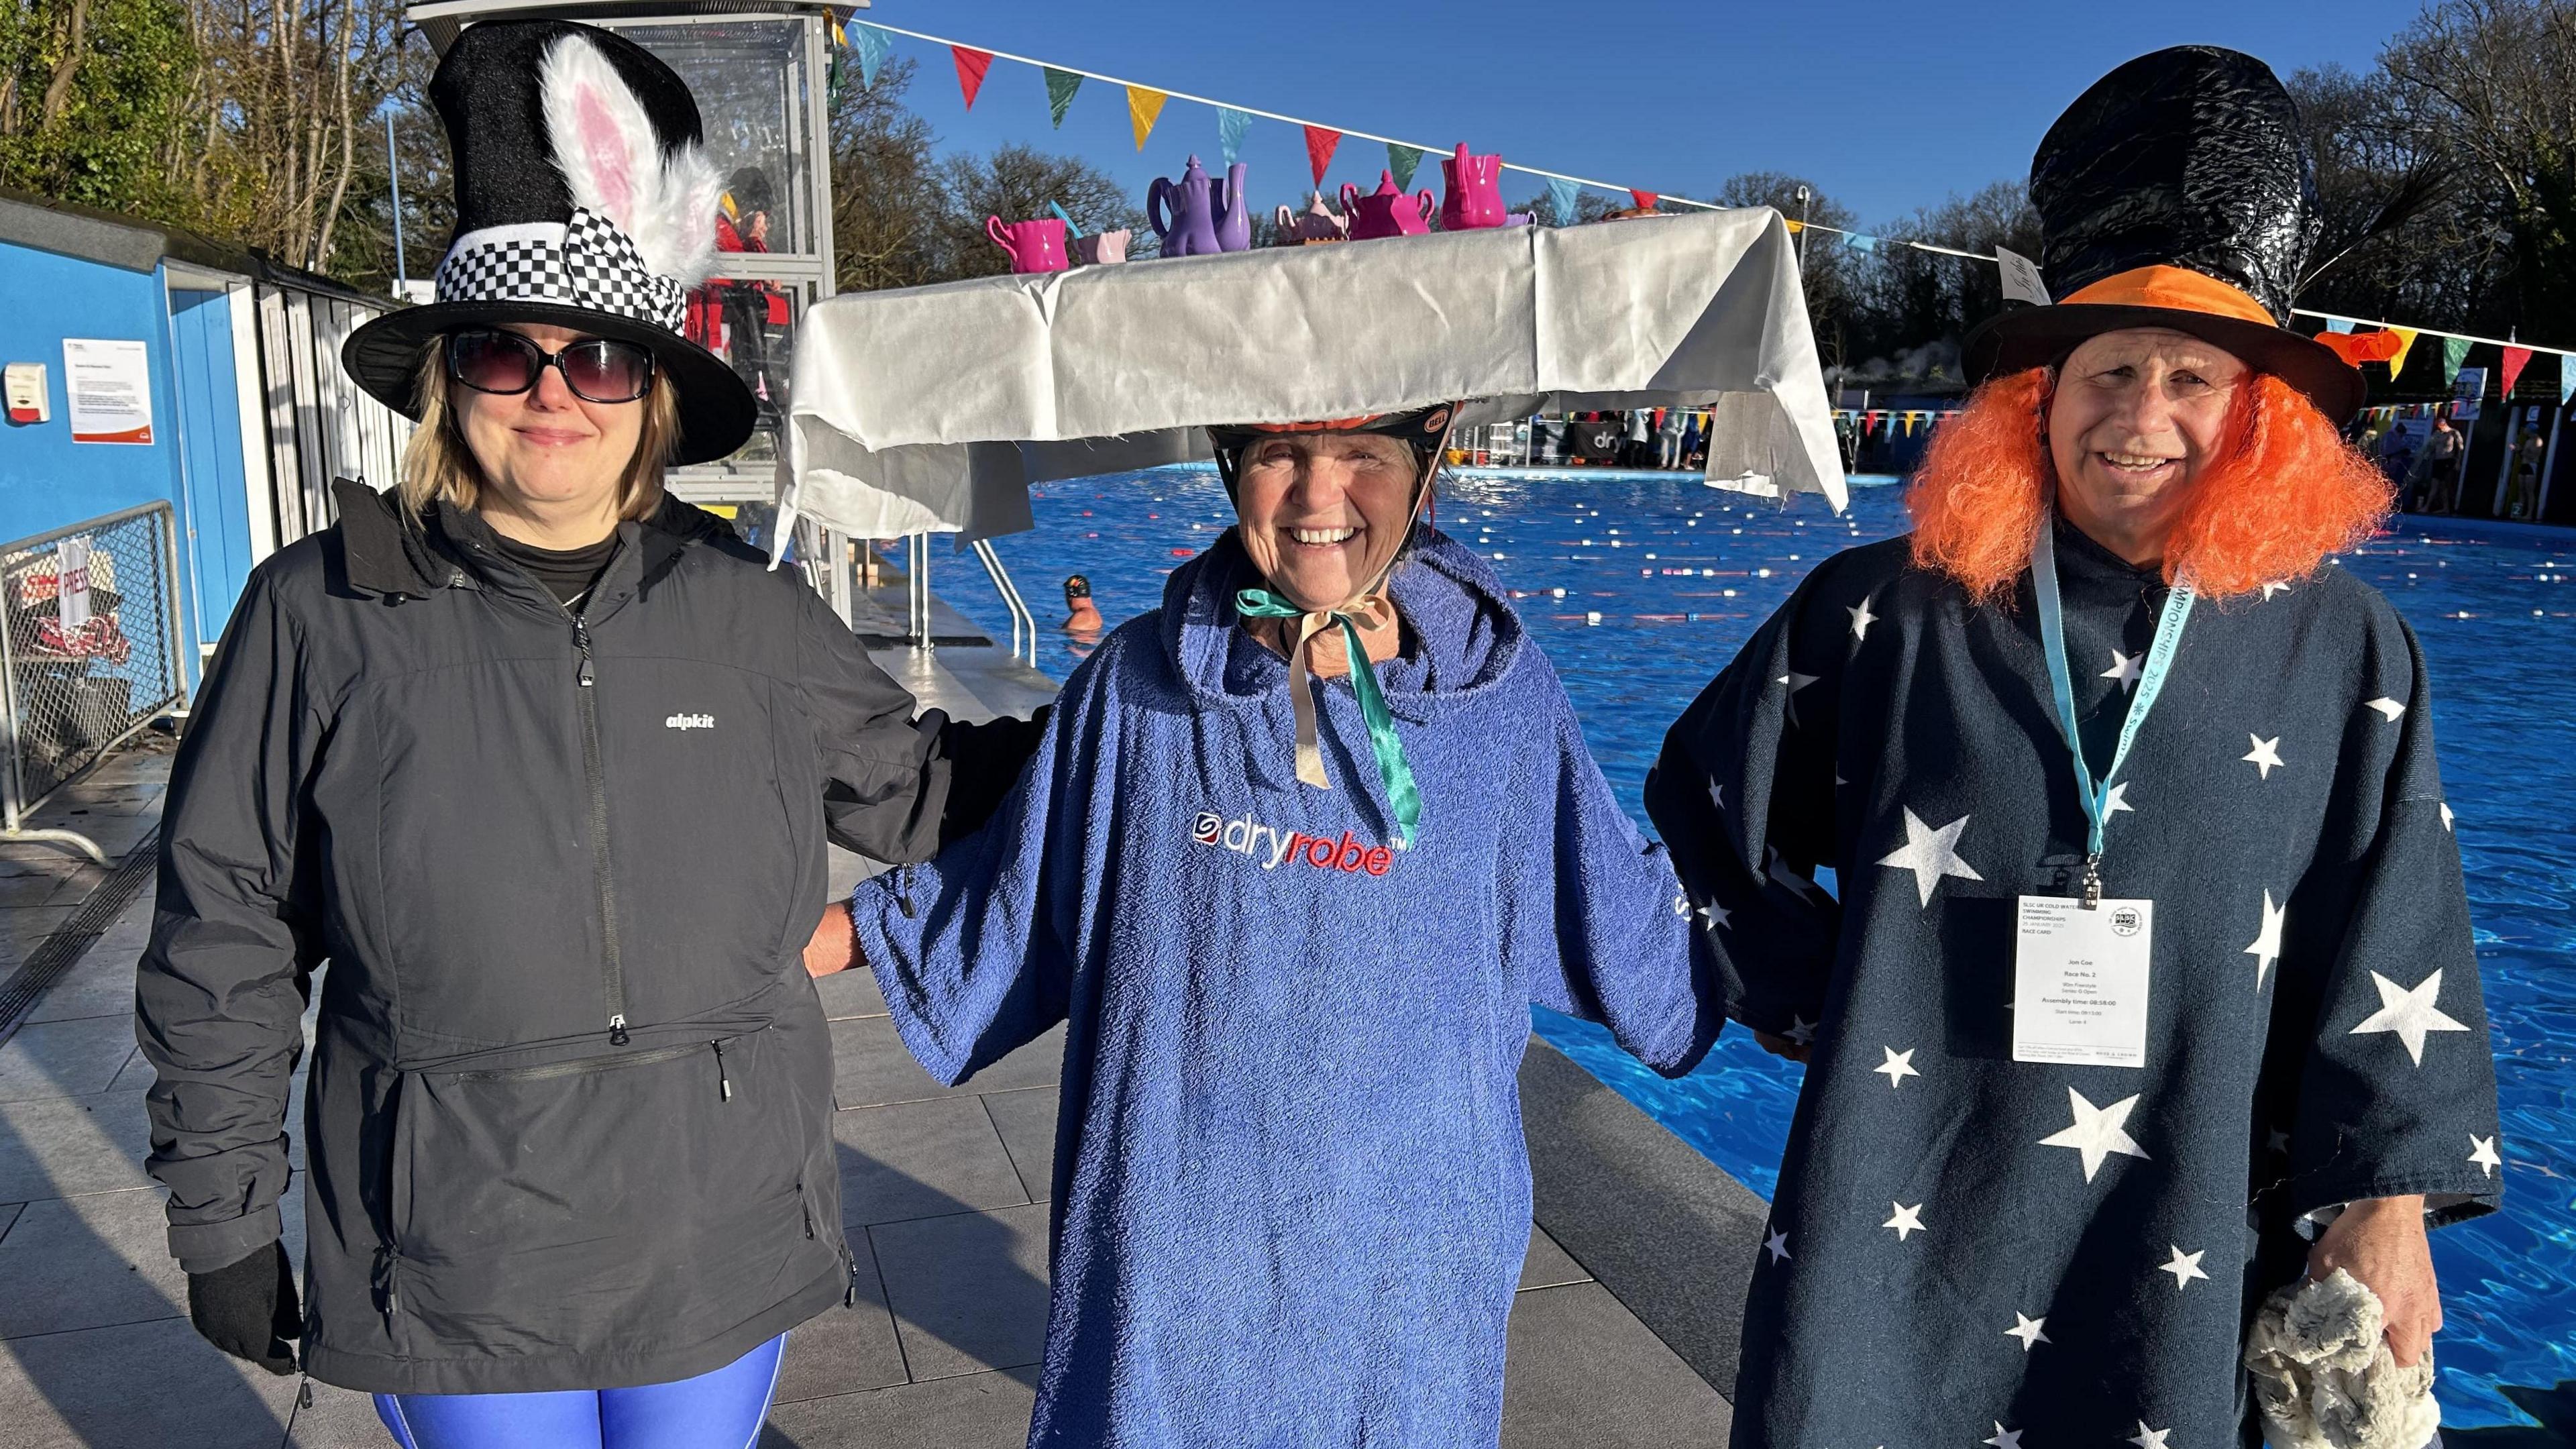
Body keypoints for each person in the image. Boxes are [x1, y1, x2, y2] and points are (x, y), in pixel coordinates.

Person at [136, 23, 1038, 1447]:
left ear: (653, 401)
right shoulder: (318, 616)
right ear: (448, 383)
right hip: (450, 1255)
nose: (555, 393)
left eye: (603, 364)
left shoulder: (747, 612)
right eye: (507, 354)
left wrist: (1147, 712)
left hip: (714, 1231)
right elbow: (224, 931)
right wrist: (224, 1218)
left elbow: (924, 793)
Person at [1646, 48, 2500, 1449]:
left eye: (2190, 379)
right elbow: (1700, 815)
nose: (2140, 415)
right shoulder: (1882, 613)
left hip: (2176, 1236)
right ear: (2037, 393)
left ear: (2259, 418)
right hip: (1894, 1232)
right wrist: (1841, 1007)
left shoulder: (2345, 650)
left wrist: (2387, 1207)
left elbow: (2394, 937)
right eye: (2108, 369)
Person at [805, 408, 1721, 1446]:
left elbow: (1621, 914)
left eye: (1365, 457)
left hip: (1405, 1277)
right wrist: (798, 945)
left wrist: (1803, 962)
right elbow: (1019, 885)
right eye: (1282, 454)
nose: (1320, 497)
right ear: (1232, 467)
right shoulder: (1139, 691)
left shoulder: (1498, 707)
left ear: (1424, 473)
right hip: (1171, 1254)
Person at [2414, 413, 2463, 513]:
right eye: (2438, 424)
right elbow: (2430, 447)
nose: (2440, 426)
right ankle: (2435, 507)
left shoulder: (2454, 433)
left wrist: (2458, 461)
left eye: (2442, 424)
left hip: (2448, 461)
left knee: (2445, 486)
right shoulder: (2437, 434)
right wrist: (2424, 456)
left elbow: (2460, 448)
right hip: (2438, 461)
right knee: (2435, 485)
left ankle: (2445, 507)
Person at [2506, 426, 2544, 519]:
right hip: (2524, 465)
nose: (2524, 430)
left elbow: (2533, 456)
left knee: (2529, 491)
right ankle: (2518, 512)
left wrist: (2520, 450)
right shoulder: (2528, 441)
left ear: (2530, 430)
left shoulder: (2538, 441)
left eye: (2526, 429)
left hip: (2531, 466)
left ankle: (2530, 514)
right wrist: (2517, 450)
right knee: (2521, 490)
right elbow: (2524, 454)